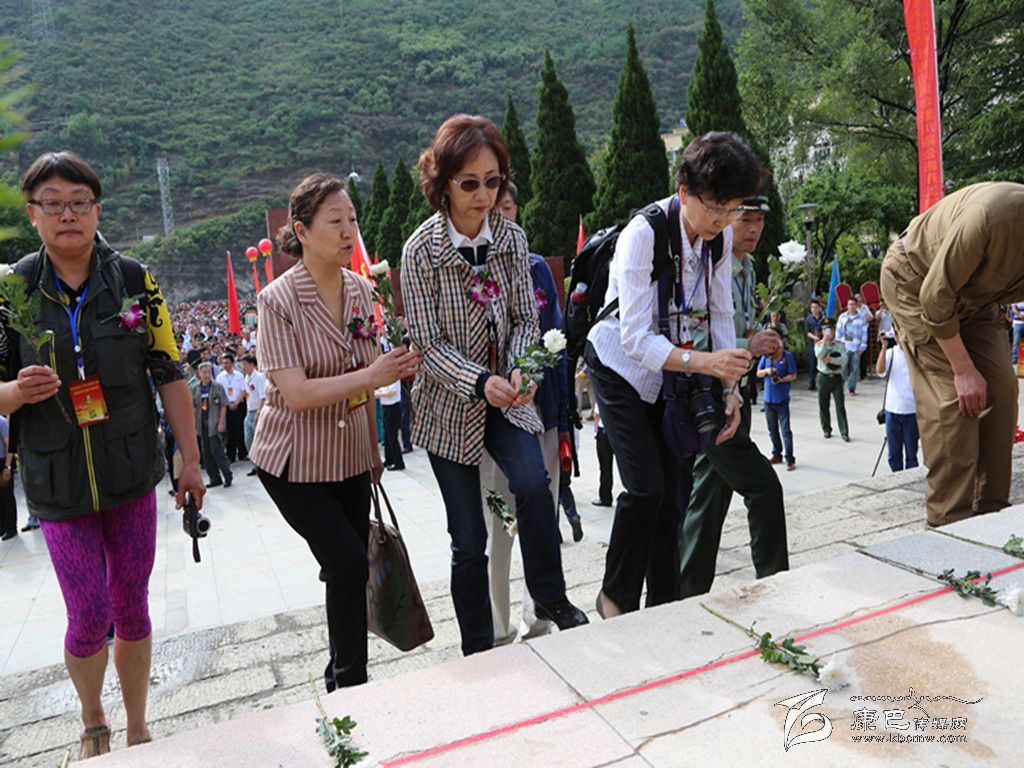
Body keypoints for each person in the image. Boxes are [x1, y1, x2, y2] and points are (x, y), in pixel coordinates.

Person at [0, 151, 203, 758]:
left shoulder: (135, 281)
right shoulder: (10, 292)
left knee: (132, 606)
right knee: (88, 613)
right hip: (56, 481)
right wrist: (15, 392)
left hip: (131, 471)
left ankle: (138, 724)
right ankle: (94, 718)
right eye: (53, 204)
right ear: (33, 214)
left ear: (97, 210)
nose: (68, 215)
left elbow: (169, 371)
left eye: (79, 203)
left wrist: (191, 460)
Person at [403, 114, 586, 656]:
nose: (483, 196)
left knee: (533, 484)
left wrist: (523, 368)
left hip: (507, 395)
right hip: (449, 407)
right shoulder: (420, 252)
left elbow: (526, 319)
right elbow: (429, 343)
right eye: (469, 184)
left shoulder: (510, 238)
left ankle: (549, 595)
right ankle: (477, 644)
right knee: (469, 538)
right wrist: (480, 380)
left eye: (493, 181)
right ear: (442, 183)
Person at [584, 132, 771, 616]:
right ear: (684, 190)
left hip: (674, 370)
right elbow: (635, 339)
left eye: (733, 210)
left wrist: (729, 388)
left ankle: (666, 606)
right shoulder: (643, 234)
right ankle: (615, 597)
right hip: (620, 366)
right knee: (646, 487)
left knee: (675, 495)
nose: (723, 221)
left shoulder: (718, 237)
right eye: (715, 209)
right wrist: (705, 363)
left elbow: (721, 313)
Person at [251, 174, 420, 691]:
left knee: (350, 567)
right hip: (293, 458)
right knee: (345, 559)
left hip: (348, 454)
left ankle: (344, 676)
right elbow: (297, 393)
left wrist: (373, 450)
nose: (349, 231)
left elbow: (365, 380)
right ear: (301, 231)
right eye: (335, 222)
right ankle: (349, 677)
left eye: (352, 220)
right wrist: (372, 376)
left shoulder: (362, 291)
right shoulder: (278, 301)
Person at [880, 182, 1024, 526]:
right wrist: (963, 369)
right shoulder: (991, 216)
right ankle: (949, 523)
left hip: (977, 300)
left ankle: (991, 517)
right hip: (916, 282)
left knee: (1003, 391)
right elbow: (935, 297)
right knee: (954, 401)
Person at [677, 192, 788, 600]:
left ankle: (686, 592)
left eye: (760, 220)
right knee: (765, 487)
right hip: (707, 396)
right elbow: (696, 339)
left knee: (709, 498)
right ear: (725, 219)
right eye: (745, 219)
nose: (754, 229)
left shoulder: (748, 267)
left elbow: (741, 328)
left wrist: (765, 342)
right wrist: (748, 345)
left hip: (733, 394)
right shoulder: (711, 266)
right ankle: (777, 581)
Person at [875, 336, 919, 472]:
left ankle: (911, 478)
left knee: (911, 452)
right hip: (892, 409)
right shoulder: (891, 353)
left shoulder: (916, 353)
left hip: (912, 410)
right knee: (893, 453)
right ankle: (896, 478)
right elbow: (880, 371)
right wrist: (883, 347)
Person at [191, 363, 232, 488]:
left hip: (214, 423)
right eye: (204, 373)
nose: (207, 375)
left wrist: (221, 422)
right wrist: (193, 423)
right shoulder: (195, 388)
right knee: (206, 453)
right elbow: (194, 407)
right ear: (199, 374)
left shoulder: (217, 386)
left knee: (217, 451)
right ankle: (214, 478)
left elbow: (223, 405)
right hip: (202, 424)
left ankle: (227, 475)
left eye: (209, 372)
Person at [757, 348, 797, 470]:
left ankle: (789, 459)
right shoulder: (766, 357)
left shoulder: (787, 356)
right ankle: (776, 454)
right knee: (772, 429)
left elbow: (793, 375)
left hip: (782, 399)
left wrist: (781, 379)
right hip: (768, 400)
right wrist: (767, 371)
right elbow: (758, 373)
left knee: (785, 430)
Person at [815, 319, 850, 441]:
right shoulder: (819, 344)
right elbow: (819, 355)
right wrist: (825, 343)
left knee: (840, 405)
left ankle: (844, 431)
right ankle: (826, 429)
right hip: (823, 377)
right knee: (823, 405)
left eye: (830, 329)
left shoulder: (839, 345)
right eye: (825, 329)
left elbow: (844, 359)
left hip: (836, 377)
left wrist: (832, 360)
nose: (828, 332)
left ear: (834, 330)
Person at [216, 353, 248, 462]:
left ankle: (242, 453)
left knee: (240, 430)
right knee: (229, 431)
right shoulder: (220, 377)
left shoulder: (239, 375)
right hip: (226, 406)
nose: (225, 365)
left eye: (227, 363)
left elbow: (243, 390)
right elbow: (220, 393)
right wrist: (228, 404)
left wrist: (236, 403)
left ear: (232, 364)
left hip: (239, 405)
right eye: (223, 363)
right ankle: (231, 455)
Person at [240, 354, 266, 476]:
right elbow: (248, 396)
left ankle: (263, 467)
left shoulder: (259, 377)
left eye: (245, 364)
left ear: (252, 364)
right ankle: (255, 465)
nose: (243, 367)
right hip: (249, 411)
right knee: (248, 440)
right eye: (242, 364)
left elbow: (263, 397)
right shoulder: (246, 377)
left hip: (258, 411)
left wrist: (259, 413)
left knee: (259, 441)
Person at [836, 298, 868, 394]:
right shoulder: (842, 317)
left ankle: (852, 388)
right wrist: (839, 344)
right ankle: (840, 387)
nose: (851, 306)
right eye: (850, 304)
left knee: (855, 369)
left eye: (853, 304)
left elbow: (864, 332)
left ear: (857, 305)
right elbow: (838, 332)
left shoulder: (861, 318)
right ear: (847, 305)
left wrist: (862, 347)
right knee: (843, 369)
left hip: (856, 347)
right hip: (844, 347)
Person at [375, 376, 405, 471]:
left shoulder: (394, 378)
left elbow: (392, 392)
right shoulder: (386, 378)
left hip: (393, 408)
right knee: (387, 436)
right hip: (386, 407)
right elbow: (382, 389)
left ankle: (399, 462)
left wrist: (379, 394)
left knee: (392, 436)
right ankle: (389, 459)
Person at [592, 402, 615, 508]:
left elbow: (597, 415)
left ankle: (605, 497)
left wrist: (595, 431)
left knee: (605, 467)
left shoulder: (602, 395)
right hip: (616, 430)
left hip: (604, 432)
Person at [0, 413, 17, 540]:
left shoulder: (2, 422)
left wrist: (7, 466)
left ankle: (11, 528)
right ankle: (2, 527)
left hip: (2, 463)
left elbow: (9, 446)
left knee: (6, 496)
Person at [804, 299, 823, 390]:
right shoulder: (808, 319)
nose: (814, 309)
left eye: (816, 307)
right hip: (812, 344)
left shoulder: (823, 318)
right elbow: (807, 332)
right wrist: (814, 337)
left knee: (821, 363)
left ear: (819, 308)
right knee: (812, 364)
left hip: (822, 343)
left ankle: (822, 383)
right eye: (812, 307)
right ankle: (812, 383)